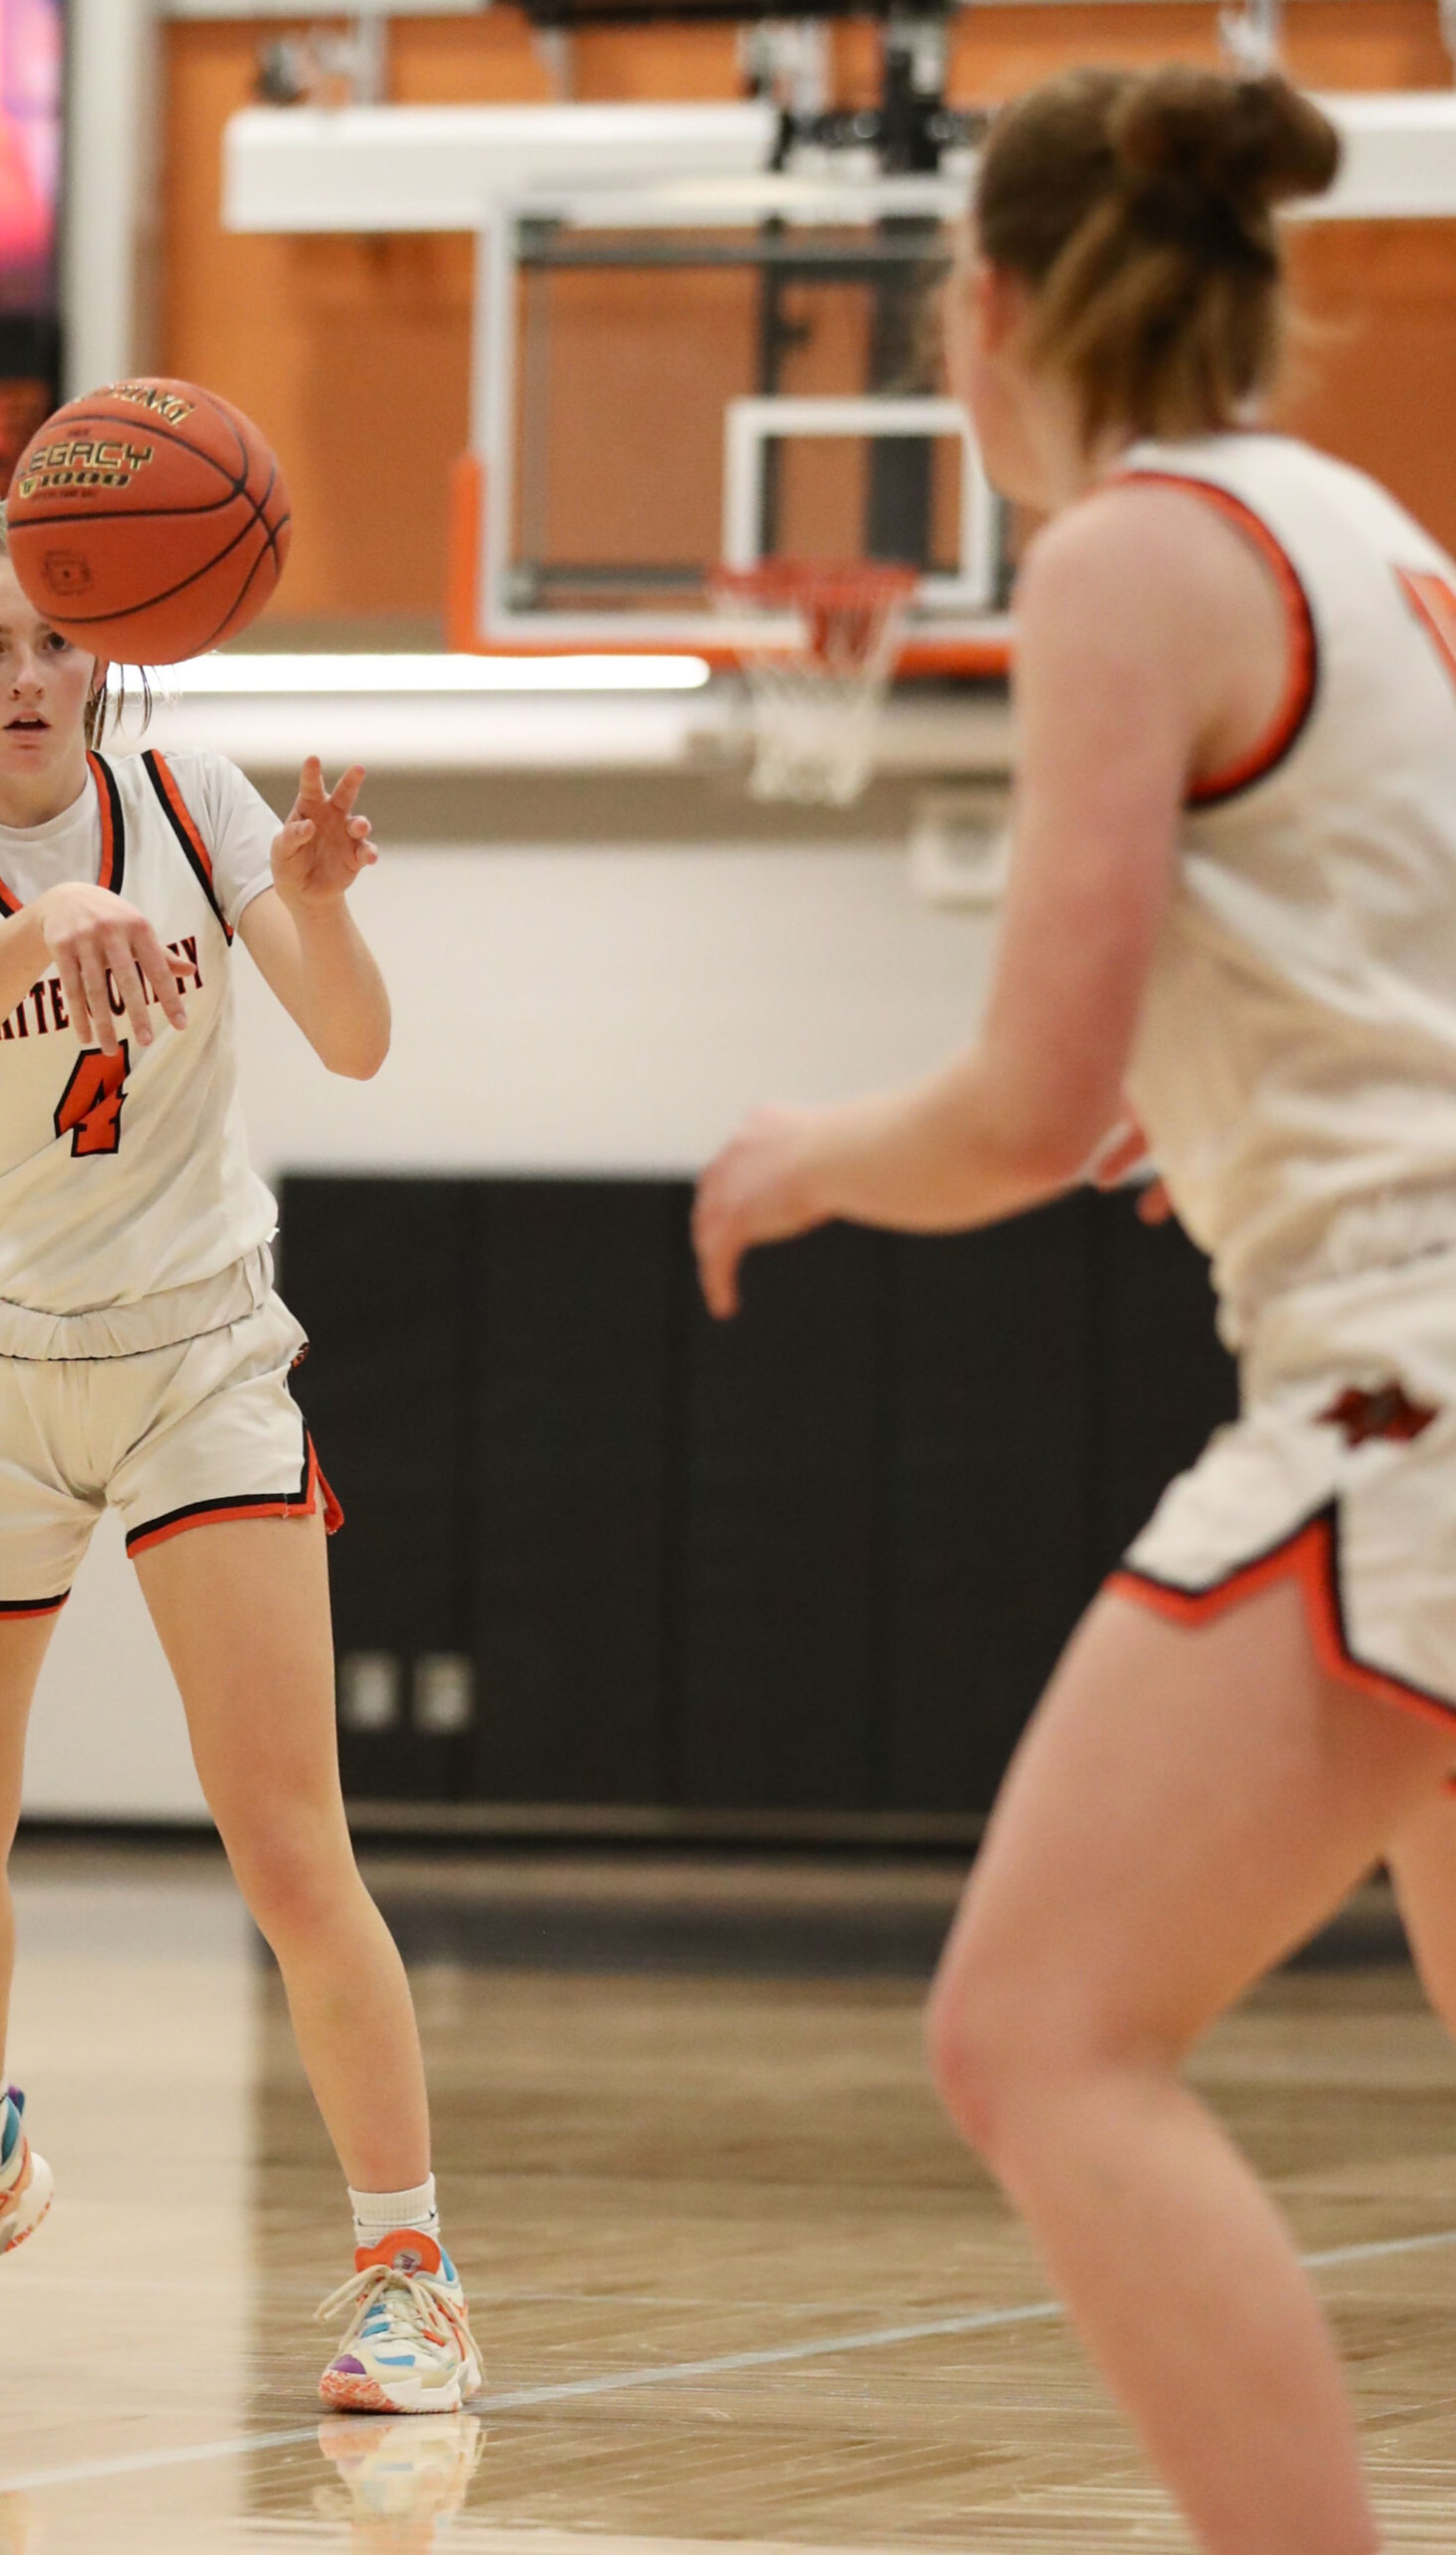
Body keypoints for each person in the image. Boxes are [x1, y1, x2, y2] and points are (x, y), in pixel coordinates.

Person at [694, 65, 1456, 2555]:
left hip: (1403, 1375)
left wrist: (809, 1154)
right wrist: (1205, 1101)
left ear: (999, 307)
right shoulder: (1369, 530)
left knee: (1033, 2035)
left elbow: (1019, 1111)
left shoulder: (1127, 555)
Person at [0, 499, 481, 2417]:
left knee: (290, 1845)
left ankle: (412, 2274)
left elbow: (353, 1042)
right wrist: (42, 918)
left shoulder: (192, 800)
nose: (28, 677)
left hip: (197, 1357)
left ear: (104, 655)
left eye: (55, 641)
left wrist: (323, 902)